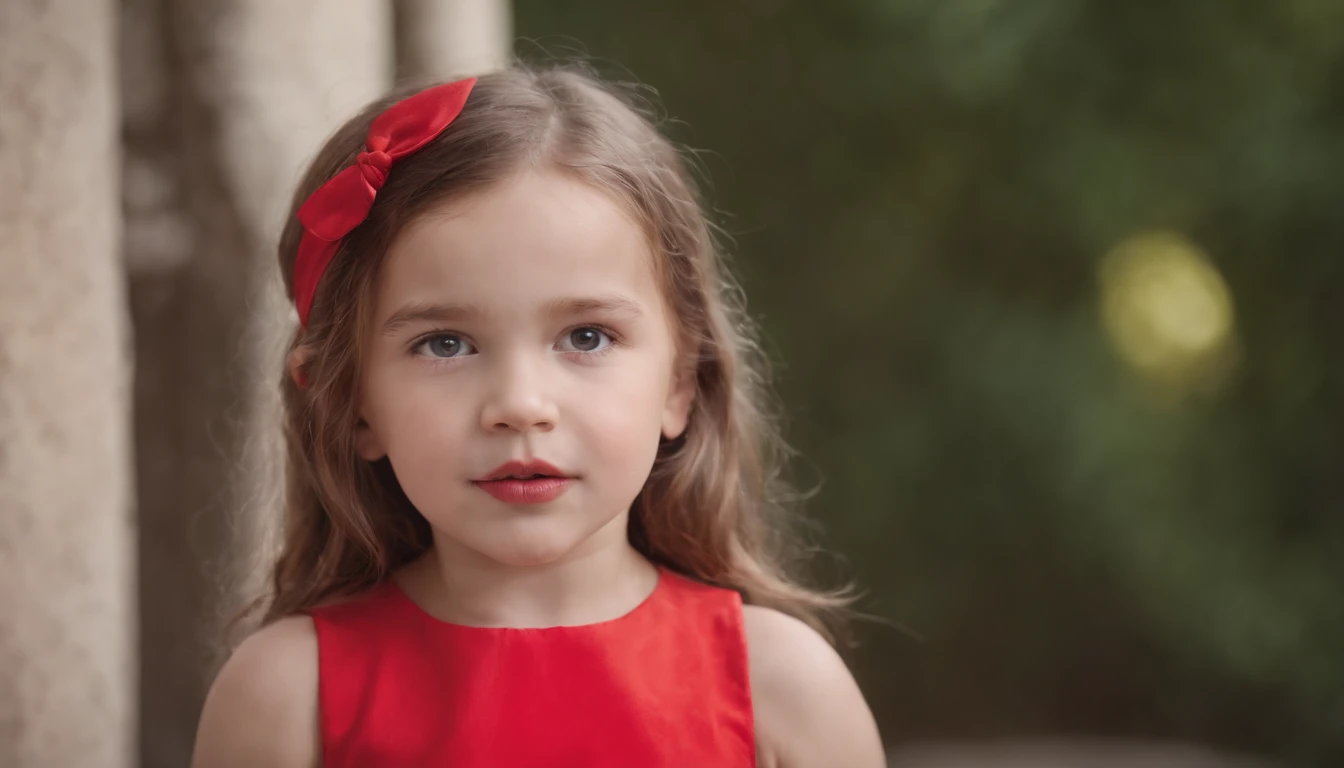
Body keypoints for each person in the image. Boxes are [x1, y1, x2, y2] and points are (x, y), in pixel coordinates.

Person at [191, 65, 885, 768]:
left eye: (587, 336)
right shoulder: (283, 697)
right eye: (445, 344)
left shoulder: (785, 690)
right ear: (350, 404)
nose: (520, 404)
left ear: (680, 384)